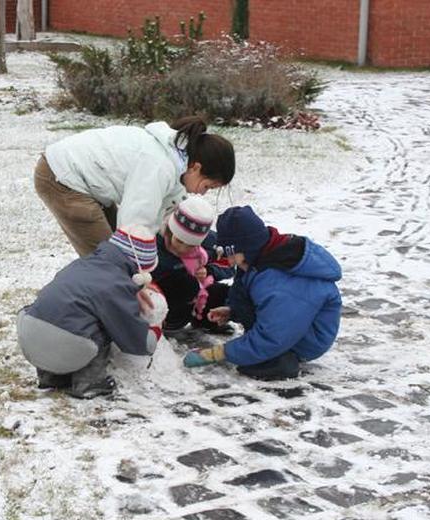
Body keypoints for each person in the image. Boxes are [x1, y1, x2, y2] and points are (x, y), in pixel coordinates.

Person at [35, 116, 235, 258]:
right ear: (196, 167)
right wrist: (143, 280)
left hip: (86, 181)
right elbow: (135, 224)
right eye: (207, 186)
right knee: (108, 262)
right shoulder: (159, 166)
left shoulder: (176, 163)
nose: (201, 193)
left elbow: (162, 213)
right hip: (61, 177)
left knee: (118, 252)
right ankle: (98, 313)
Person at [183, 205, 342, 380]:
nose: (228, 261)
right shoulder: (261, 258)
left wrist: (218, 353)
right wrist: (232, 311)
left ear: (244, 248)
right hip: (285, 324)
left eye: (229, 254)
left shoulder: (281, 284)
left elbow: (272, 336)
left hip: (305, 339)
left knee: (254, 364)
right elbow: (253, 295)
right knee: (254, 348)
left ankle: (285, 359)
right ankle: (268, 353)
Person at [16, 226, 167, 399]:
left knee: (68, 317)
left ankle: (51, 376)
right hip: (65, 343)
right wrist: (155, 329)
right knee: (104, 327)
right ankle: (89, 383)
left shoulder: (84, 264)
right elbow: (135, 341)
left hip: (29, 334)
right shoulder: (116, 285)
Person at [151, 195, 234, 333]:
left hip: (198, 296)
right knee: (186, 283)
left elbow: (231, 263)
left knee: (229, 293)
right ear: (170, 231)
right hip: (164, 304)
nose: (182, 249)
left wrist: (209, 270)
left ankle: (207, 321)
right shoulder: (152, 242)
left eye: (191, 245)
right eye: (179, 241)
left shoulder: (209, 241)